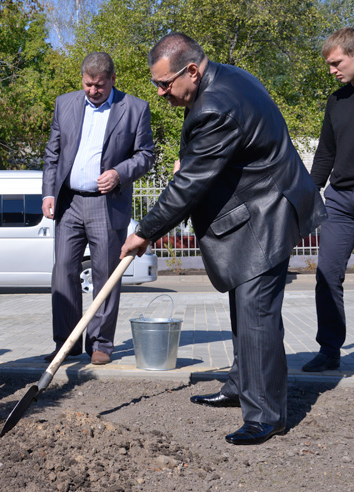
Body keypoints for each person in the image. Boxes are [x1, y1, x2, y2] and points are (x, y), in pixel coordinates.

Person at [121, 33, 326, 445]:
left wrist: (144, 232)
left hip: (267, 213)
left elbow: (188, 186)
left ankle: (266, 415)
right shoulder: (230, 76)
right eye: (156, 84)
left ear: (192, 71)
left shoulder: (215, 106)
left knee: (257, 313)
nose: (160, 92)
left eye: (164, 84)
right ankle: (240, 386)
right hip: (259, 204)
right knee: (243, 305)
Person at [41, 52, 155, 365]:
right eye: (88, 84)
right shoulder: (64, 103)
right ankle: (66, 344)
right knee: (63, 272)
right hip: (69, 203)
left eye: (99, 86)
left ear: (113, 79)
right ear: (82, 79)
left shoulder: (135, 108)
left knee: (105, 274)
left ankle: (100, 344)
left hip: (107, 205)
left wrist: (120, 173)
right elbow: (53, 153)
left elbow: (146, 155)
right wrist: (48, 193)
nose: (93, 91)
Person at [304, 27, 354, 373]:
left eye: (337, 63)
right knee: (327, 274)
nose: (332, 70)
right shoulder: (336, 101)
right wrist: (306, 195)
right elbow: (325, 154)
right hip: (340, 201)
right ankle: (329, 350)